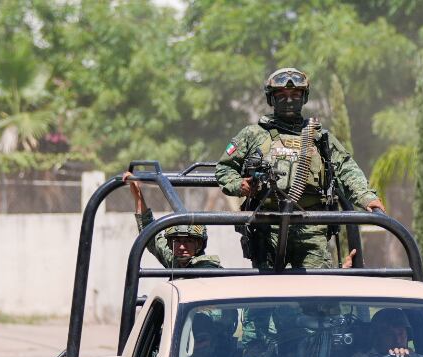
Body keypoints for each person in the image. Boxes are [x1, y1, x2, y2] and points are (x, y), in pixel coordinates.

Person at [214, 67, 383, 269]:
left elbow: (346, 168)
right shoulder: (253, 134)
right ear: (271, 98)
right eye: (282, 95)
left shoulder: (319, 136)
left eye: (295, 94)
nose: (289, 100)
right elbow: (224, 168)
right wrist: (239, 185)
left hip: (311, 225)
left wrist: (367, 198)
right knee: (266, 292)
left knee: (315, 291)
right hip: (267, 224)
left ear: (304, 98)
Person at [122, 171, 222, 269]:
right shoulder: (174, 261)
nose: (182, 247)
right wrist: (137, 193)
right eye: (177, 241)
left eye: (189, 241)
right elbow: (150, 235)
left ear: (199, 244)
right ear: (170, 244)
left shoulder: (208, 269)